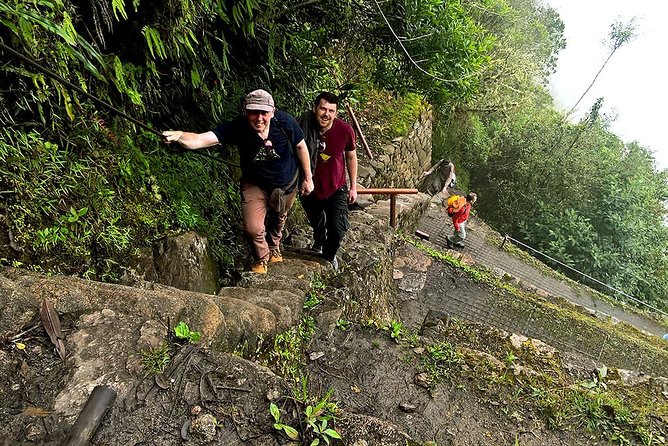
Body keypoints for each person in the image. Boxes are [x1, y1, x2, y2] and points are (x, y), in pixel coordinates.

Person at [163, 89, 314, 274]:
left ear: (272, 112)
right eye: (253, 112)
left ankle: (274, 245)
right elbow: (202, 139)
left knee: (279, 217)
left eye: (264, 113)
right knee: (253, 227)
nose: (259, 118)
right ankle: (262, 257)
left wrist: (308, 178)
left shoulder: (284, 122)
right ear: (245, 111)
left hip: (286, 183)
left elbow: (301, 146)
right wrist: (179, 135)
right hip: (254, 183)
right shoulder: (238, 127)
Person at [298, 92, 358, 271]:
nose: (326, 114)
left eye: (331, 111)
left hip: (336, 187)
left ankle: (328, 256)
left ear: (336, 113)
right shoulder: (302, 126)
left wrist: (354, 186)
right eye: (323, 108)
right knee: (316, 222)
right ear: (314, 108)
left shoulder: (345, 130)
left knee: (338, 229)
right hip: (309, 187)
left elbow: (351, 157)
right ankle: (318, 241)